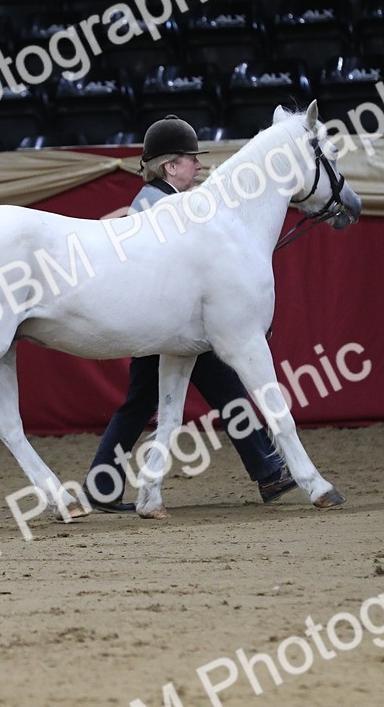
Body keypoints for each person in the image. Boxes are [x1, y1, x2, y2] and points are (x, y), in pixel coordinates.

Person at [85, 115, 296, 513]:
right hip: (165, 323)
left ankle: (100, 485)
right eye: (190, 159)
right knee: (218, 388)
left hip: (173, 323)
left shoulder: (159, 200)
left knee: (149, 400)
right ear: (170, 166)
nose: (199, 166)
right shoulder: (157, 204)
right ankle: (268, 470)